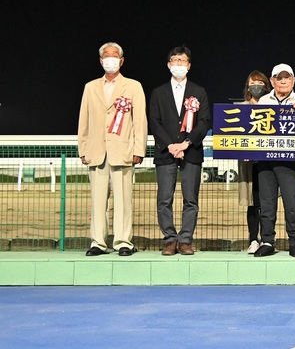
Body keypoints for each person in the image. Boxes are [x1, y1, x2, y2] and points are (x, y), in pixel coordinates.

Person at [78, 42, 148, 257]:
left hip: (123, 151)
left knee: (123, 200)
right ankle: (98, 242)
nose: (110, 58)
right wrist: (83, 148)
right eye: (106, 55)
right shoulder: (90, 87)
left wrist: (139, 149)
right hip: (97, 151)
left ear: (121, 60)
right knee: (98, 201)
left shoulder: (133, 86)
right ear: (101, 61)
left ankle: (123, 241)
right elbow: (84, 120)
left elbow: (140, 121)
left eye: (114, 55)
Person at [148, 45, 211, 256]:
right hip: (166, 152)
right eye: (175, 61)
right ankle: (169, 239)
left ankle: (185, 240)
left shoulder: (199, 91)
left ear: (189, 65)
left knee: (190, 199)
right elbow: (154, 122)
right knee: (164, 199)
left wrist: (186, 143)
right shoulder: (158, 93)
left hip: (191, 152)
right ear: (168, 65)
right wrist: (171, 145)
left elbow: (204, 121)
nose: (179, 64)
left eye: (182, 61)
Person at [254, 63, 295, 257]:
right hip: (266, 160)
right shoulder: (263, 101)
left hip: (289, 162)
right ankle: (267, 241)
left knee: (291, 205)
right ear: (272, 81)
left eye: (287, 77)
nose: (283, 81)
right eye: (279, 78)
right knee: (267, 205)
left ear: (293, 80)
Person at [236, 70, 271, 254]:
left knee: (266, 203)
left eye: (260, 82)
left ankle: (267, 238)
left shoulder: (272, 105)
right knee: (252, 203)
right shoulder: (241, 108)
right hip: (250, 164)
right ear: (248, 86)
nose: (256, 86)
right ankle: (253, 239)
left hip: (268, 163)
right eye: (253, 83)